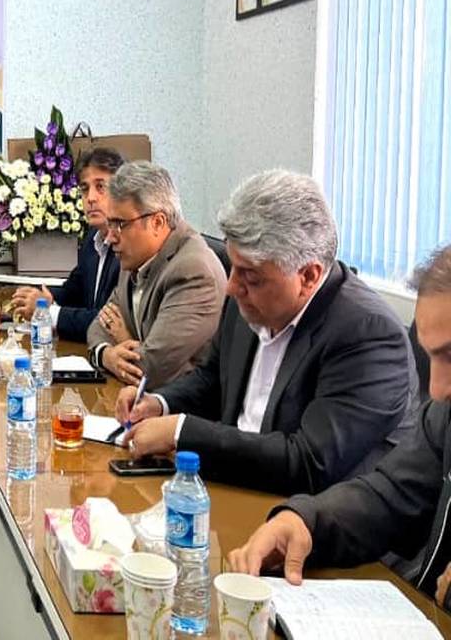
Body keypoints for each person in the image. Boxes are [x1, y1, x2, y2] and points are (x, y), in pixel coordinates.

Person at [116, 170, 417, 494]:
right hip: (231, 486)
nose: (231, 287)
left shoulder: (367, 335)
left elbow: (308, 463)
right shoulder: (247, 298)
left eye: (250, 276)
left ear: (308, 276)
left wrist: (181, 432)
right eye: (233, 267)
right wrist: (160, 402)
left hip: (306, 511)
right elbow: (213, 379)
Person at [228, 244, 451, 606]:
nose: (437, 390)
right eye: (432, 357)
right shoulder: (444, 416)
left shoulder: (364, 326)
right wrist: (304, 521)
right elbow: (388, 495)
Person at [85, 161, 226, 387]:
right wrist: (106, 355)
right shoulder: (133, 257)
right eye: (110, 224)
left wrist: (125, 340)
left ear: (157, 222)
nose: (110, 238)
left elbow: (149, 367)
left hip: (172, 405)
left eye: (119, 224)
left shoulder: (193, 272)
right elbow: (98, 327)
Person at [11, 147, 125, 341]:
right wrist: (38, 297)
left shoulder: (128, 247)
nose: (90, 198)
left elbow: (108, 321)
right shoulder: (93, 238)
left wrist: (49, 312)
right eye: (85, 189)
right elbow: (74, 291)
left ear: (122, 192)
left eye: (100, 187)